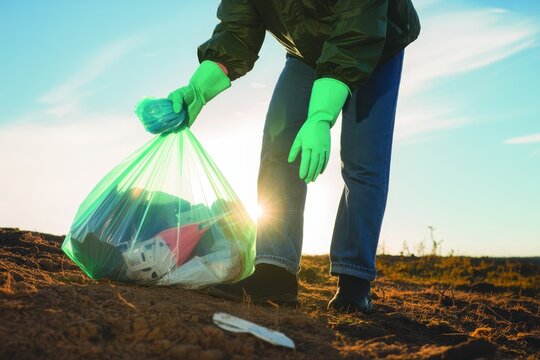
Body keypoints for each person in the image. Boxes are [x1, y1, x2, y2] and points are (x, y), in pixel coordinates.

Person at [166, 0, 420, 313]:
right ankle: (275, 271)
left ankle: (354, 281)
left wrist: (321, 115)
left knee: (363, 160)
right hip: (308, 49)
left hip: (375, 37)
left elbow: (356, 29)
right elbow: (237, 32)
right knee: (279, 144)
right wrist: (197, 90)